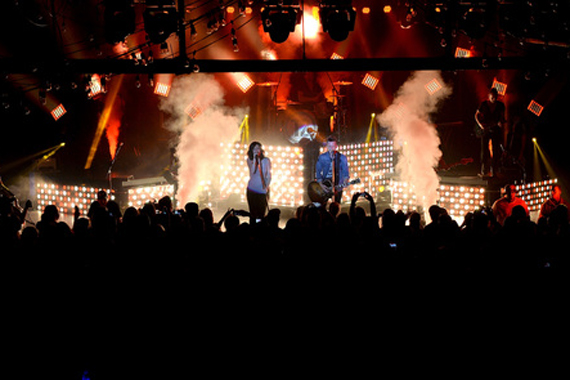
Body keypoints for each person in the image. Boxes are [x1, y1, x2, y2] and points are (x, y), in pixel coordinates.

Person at [475, 87, 506, 178]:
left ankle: (494, 170)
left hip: (495, 129)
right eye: (492, 97)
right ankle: (484, 170)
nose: (494, 99)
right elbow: (476, 115)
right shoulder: (483, 104)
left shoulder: (500, 105)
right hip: (485, 130)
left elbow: (502, 117)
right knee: (484, 150)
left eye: (495, 97)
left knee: (496, 150)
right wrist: (480, 125)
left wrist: (501, 122)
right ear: (489, 96)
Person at [315, 135, 349, 203]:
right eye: (330, 147)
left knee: (336, 205)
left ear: (336, 146)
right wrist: (321, 185)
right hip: (325, 185)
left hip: (337, 186)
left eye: (333, 146)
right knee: (322, 206)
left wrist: (345, 181)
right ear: (327, 146)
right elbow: (318, 172)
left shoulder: (342, 158)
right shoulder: (322, 157)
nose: (331, 149)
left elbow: (346, 173)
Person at [246, 141, 271, 223]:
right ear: (251, 150)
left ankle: (259, 231)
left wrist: (266, 186)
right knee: (253, 214)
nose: (257, 150)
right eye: (255, 148)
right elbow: (252, 172)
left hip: (262, 191)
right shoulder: (249, 160)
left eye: (258, 148)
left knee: (261, 214)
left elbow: (268, 175)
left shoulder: (266, 160)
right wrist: (254, 158)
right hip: (252, 189)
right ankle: (252, 230)